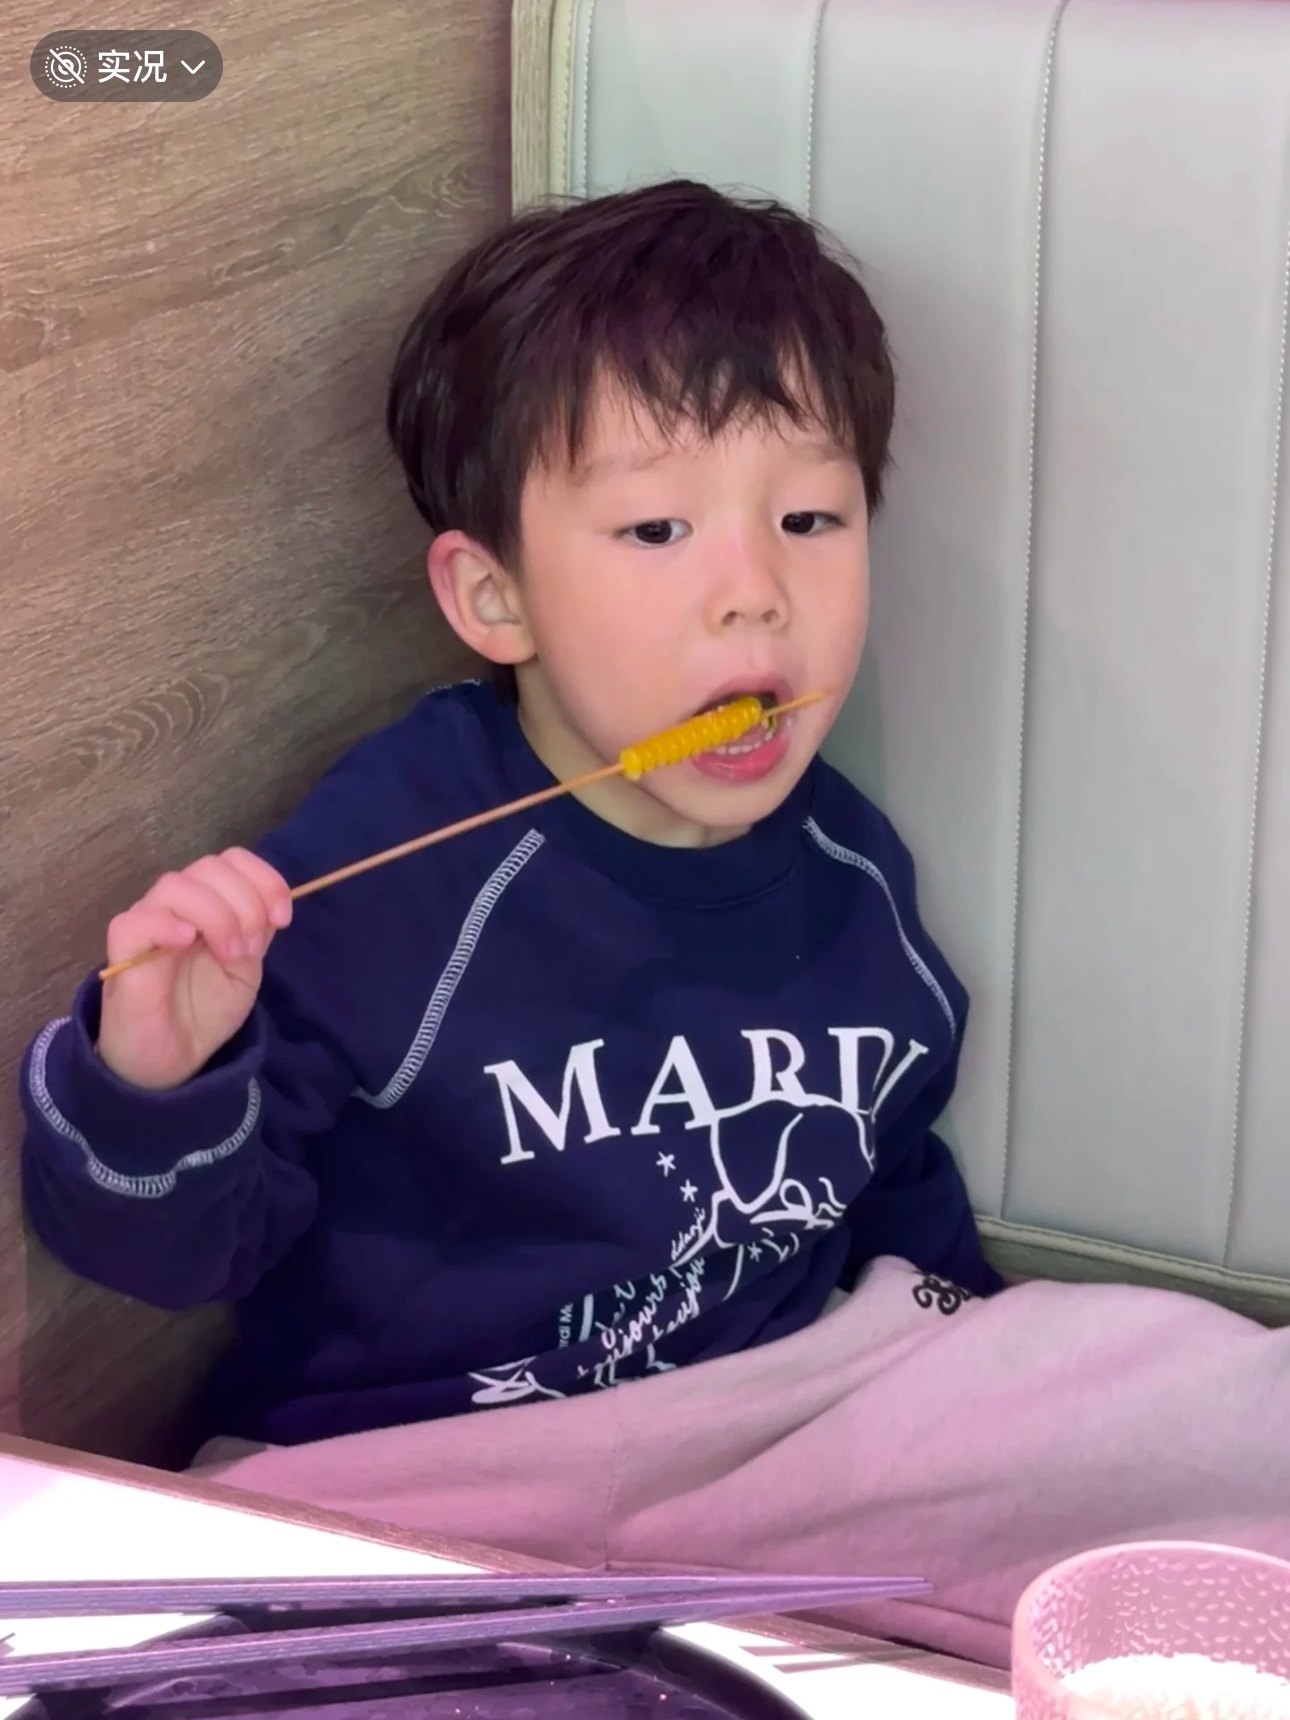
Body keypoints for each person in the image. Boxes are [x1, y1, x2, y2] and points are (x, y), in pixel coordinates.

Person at [19, 180, 1290, 1670]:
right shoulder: (393, 856)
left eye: (810, 518)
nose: (755, 595)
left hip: (796, 1404)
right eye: (655, 528)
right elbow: (170, 1258)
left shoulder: (850, 867)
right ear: (495, 598)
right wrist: (153, 1073)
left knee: (1207, 1399)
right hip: (439, 1470)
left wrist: (1001, 1386)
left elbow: (894, 1183)